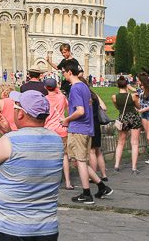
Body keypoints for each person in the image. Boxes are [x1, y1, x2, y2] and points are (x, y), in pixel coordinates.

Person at [0, 90, 64, 241]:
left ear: (21, 114)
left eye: (16, 107)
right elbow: (27, 152)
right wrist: (8, 131)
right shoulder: (56, 140)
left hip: (13, 228)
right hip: (47, 228)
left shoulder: (11, 141)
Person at [60, 63, 111, 203]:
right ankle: (101, 186)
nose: (62, 74)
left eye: (63, 72)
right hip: (87, 128)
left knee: (80, 161)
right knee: (78, 161)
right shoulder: (84, 87)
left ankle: (86, 193)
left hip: (78, 128)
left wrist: (66, 120)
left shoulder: (75, 88)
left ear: (70, 72)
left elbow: (80, 110)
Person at [42, 76, 70, 188]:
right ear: (56, 86)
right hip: (61, 129)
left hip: (49, 130)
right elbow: (68, 108)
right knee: (64, 156)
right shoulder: (62, 97)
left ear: (45, 87)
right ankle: (68, 182)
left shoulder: (44, 99)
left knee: (50, 156)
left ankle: (52, 180)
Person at [111, 75, 142, 173]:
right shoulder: (132, 96)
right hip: (133, 118)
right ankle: (134, 167)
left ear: (117, 85)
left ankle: (116, 165)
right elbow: (138, 106)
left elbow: (117, 107)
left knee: (120, 142)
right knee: (135, 143)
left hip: (123, 118)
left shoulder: (114, 97)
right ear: (126, 85)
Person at [85, 78, 108, 182]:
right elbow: (104, 107)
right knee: (98, 151)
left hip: (90, 123)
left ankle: (93, 176)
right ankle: (103, 174)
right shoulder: (94, 95)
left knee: (92, 151)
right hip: (97, 123)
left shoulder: (85, 96)